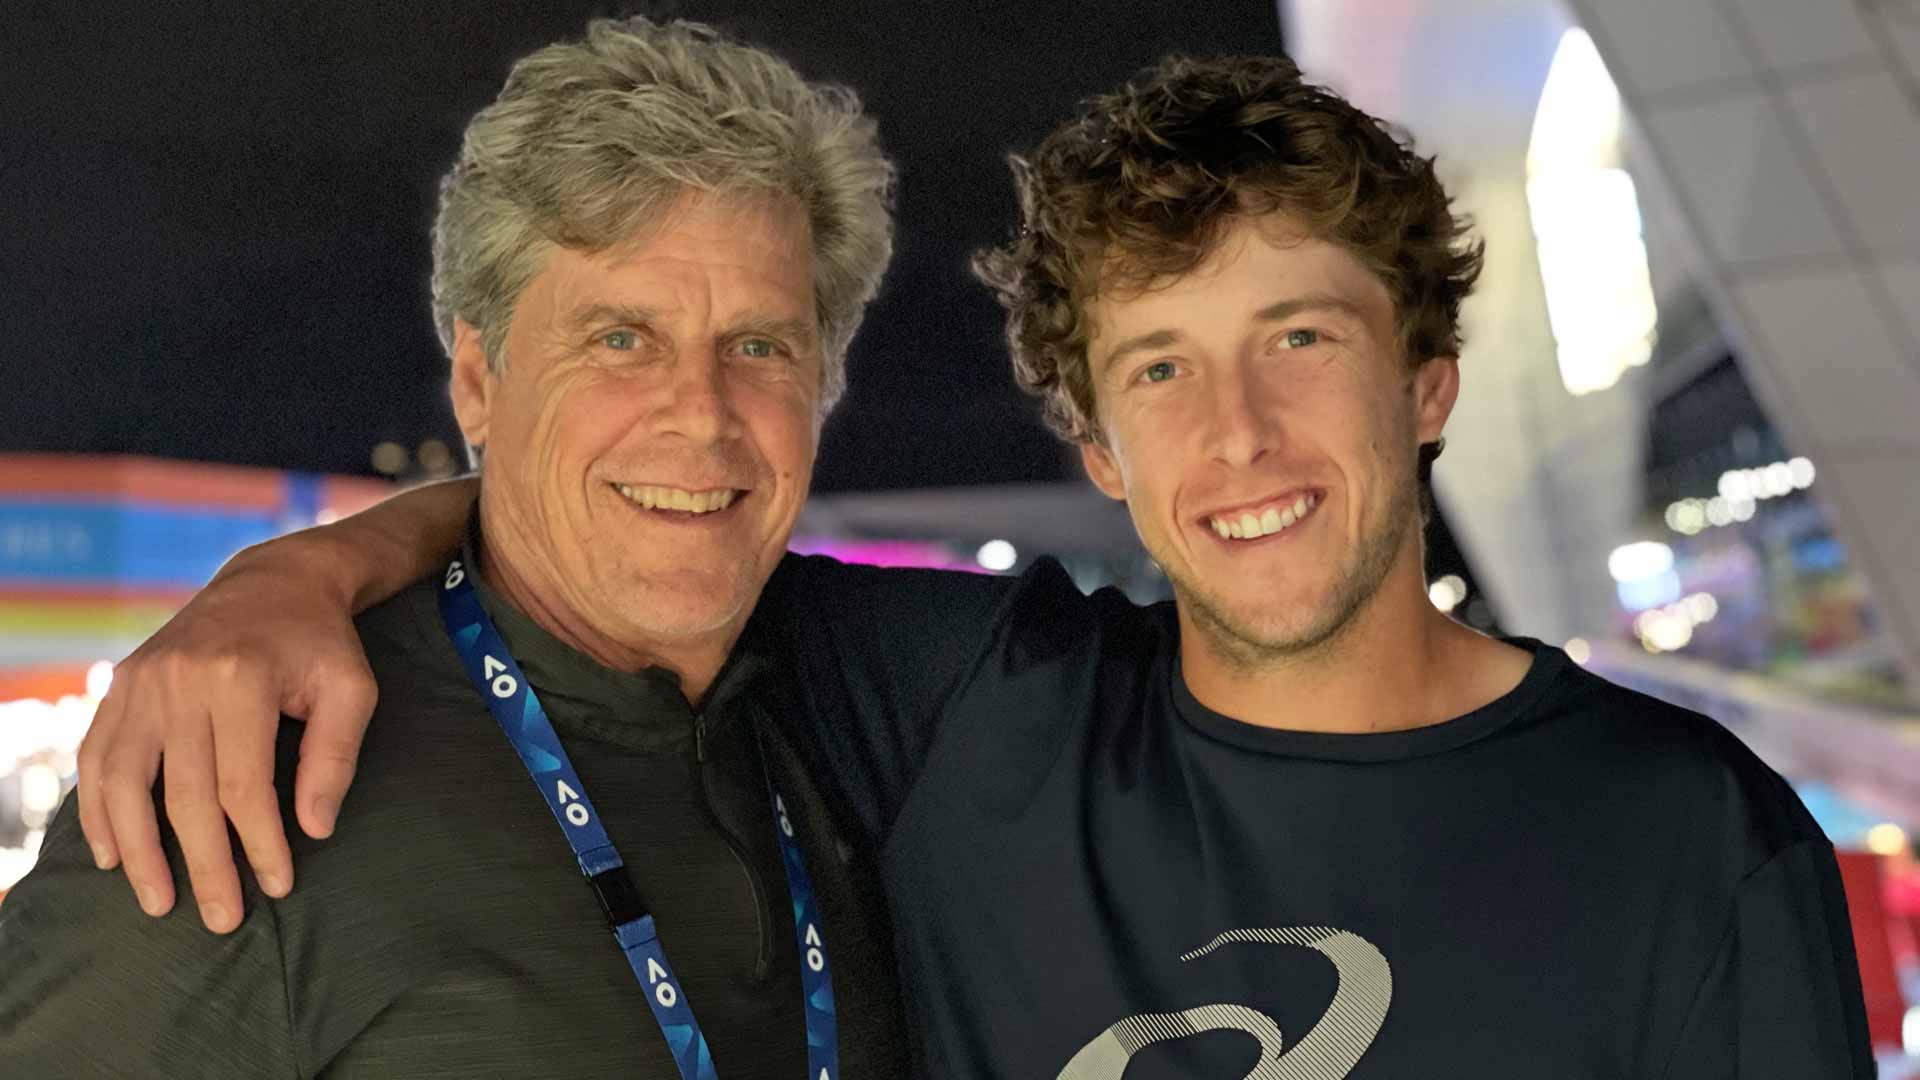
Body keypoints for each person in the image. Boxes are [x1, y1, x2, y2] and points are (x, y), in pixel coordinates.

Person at [62, 51, 1873, 1079]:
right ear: (1092, 444)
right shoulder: (971, 707)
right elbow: (622, 539)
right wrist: (286, 583)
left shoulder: (1695, 849)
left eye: (1301, 341)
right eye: (1160, 367)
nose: (1235, 435)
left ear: (1428, 382)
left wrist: (288, 576)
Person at [0, 16, 908, 1077]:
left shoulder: (875, 714)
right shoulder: (242, 786)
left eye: (758, 346)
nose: (701, 416)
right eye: (621, 339)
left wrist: (310, 562)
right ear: (480, 381)